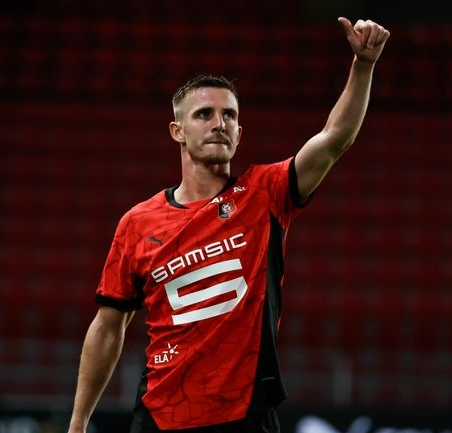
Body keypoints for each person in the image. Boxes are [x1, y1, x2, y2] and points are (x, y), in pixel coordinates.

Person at [68, 17, 389, 433]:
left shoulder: (266, 193)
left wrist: (363, 65)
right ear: (177, 131)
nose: (219, 123)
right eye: (204, 114)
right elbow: (108, 329)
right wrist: (77, 424)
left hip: (247, 416)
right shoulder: (137, 223)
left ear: (240, 132)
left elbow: (334, 138)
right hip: (161, 416)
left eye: (229, 115)